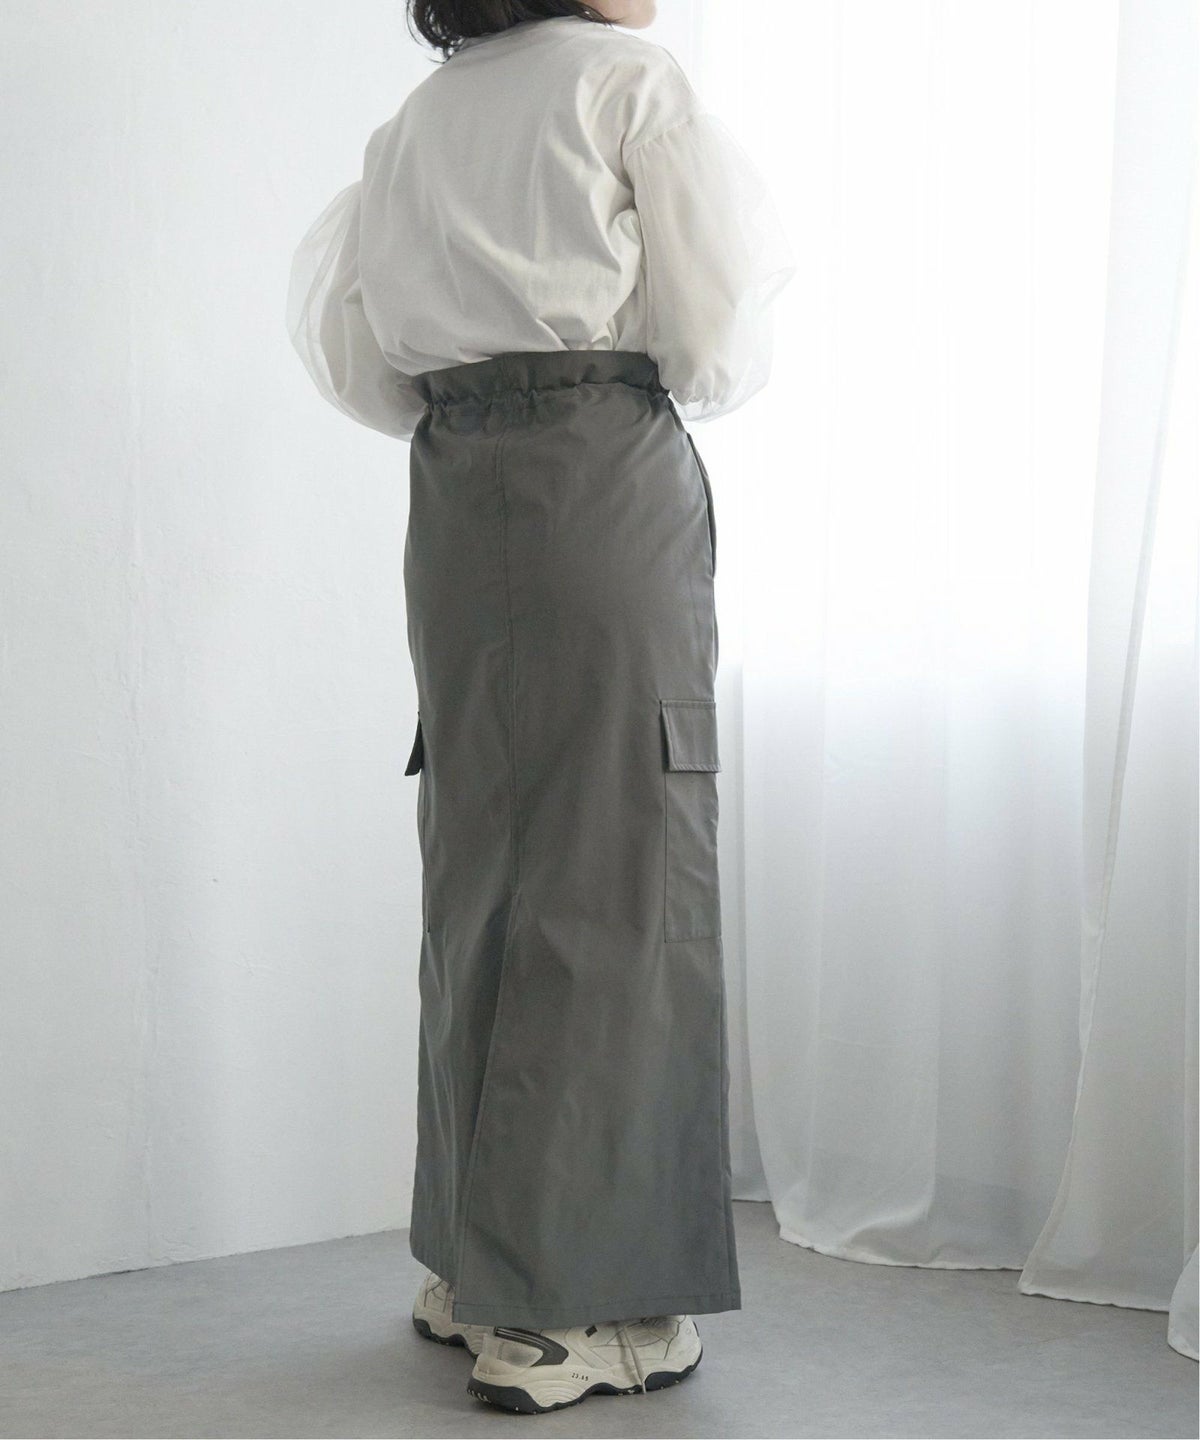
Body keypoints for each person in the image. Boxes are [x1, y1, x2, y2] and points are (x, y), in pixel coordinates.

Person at [286, 0, 794, 1416]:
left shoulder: (421, 119)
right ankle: (574, 1308)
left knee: (486, 865)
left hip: (457, 491)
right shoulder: (627, 82)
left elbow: (351, 346)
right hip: (598, 470)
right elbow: (717, 332)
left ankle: (476, 1267)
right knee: (621, 868)